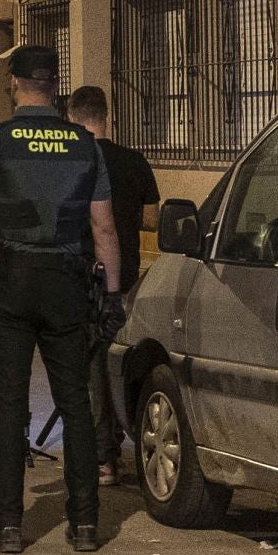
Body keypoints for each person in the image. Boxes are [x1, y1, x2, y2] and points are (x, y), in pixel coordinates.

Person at [0, 45, 121, 555]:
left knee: (9, 406)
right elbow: (104, 229)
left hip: (12, 280)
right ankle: (86, 524)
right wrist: (112, 297)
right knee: (75, 403)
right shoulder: (85, 145)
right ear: (55, 87)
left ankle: (8, 525)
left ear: (13, 83)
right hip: (67, 283)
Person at [65, 85, 159, 488]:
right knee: (123, 361)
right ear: (107, 116)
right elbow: (151, 219)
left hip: (86, 279)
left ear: (72, 118)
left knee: (94, 369)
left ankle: (104, 457)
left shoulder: (74, 161)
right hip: (128, 279)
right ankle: (132, 444)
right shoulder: (134, 162)